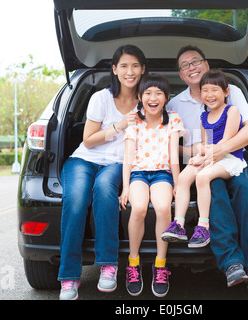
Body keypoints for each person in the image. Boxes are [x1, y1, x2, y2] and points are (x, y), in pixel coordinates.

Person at [166, 45, 248, 291]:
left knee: (245, 190)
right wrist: (184, 166)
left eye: (196, 62)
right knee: (214, 189)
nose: (192, 68)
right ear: (181, 74)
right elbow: (165, 142)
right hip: (200, 162)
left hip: (233, 157)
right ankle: (232, 263)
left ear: (206, 65)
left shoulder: (230, 93)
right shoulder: (173, 105)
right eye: (185, 65)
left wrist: (220, 150)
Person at [57, 44, 147, 300]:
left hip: (118, 163)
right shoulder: (101, 98)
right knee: (75, 201)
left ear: (142, 69)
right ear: (115, 70)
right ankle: (69, 278)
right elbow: (88, 140)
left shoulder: (148, 100)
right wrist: (119, 125)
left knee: (104, 190)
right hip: (84, 160)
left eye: (135, 65)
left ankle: (108, 265)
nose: (130, 71)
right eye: (124, 66)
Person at [162, 69, 247, 248]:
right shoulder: (204, 117)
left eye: (215, 90)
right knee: (184, 177)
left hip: (229, 158)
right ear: (200, 94)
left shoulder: (232, 111)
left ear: (226, 92)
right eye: (205, 90)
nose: (210, 95)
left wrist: (204, 159)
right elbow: (206, 142)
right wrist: (199, 156)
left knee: (202, 177)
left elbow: (225, 143)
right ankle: (178, 224)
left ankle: (203, 226)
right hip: (211, 156)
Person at [119, 74, 183, 297]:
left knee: (164, 209)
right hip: (138, 173)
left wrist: (177, 183)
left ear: (166, 98)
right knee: (139, 208)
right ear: (139, 97)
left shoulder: (173, 119)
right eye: (148, 93)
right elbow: (128, 157)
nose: (153, 98)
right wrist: (125, 187)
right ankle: (133, 263)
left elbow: (174, 155)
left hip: (162, 175)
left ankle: (160, 265)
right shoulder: (134, 120)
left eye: (159, 93)